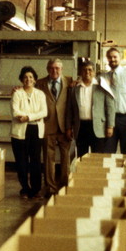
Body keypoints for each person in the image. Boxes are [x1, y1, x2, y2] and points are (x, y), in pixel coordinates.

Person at [35, 58, 73, 196]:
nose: (54, 71)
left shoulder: (70, 81)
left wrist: (71, 126)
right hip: (47, 126)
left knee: (65, 158)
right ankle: (50, 187)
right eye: (51, 68)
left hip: (65, 127)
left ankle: (64, 186)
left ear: (62, 69)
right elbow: (28, 89)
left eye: (57, 68)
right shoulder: (40, 83)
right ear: (47, 69)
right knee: (48, 159)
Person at [10, 66, 48, 199]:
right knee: (21, 161)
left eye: (31, 77)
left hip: (36, 131)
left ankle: (36, 190)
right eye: (25, 77)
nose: (28, 79)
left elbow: (44, 112)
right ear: (21, 79)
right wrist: (33, 115)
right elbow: (15, 112)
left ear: (35, 79)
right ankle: (25, 189)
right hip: (20, 132)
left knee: (36, 161)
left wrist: (28, 117)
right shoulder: (17, 93)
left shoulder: (40, 94)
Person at [66, 60, 116, 157]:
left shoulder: (101, 86)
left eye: (90, 70)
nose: (87, 72)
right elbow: (69, 109)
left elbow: (110, 107)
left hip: (98, 127)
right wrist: (68, 127)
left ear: (94, 72)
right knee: (82, 156)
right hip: (80, 127)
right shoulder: (74, 88)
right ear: (80, 72)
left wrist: (110, 126)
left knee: (97, 157)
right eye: (84, 70)